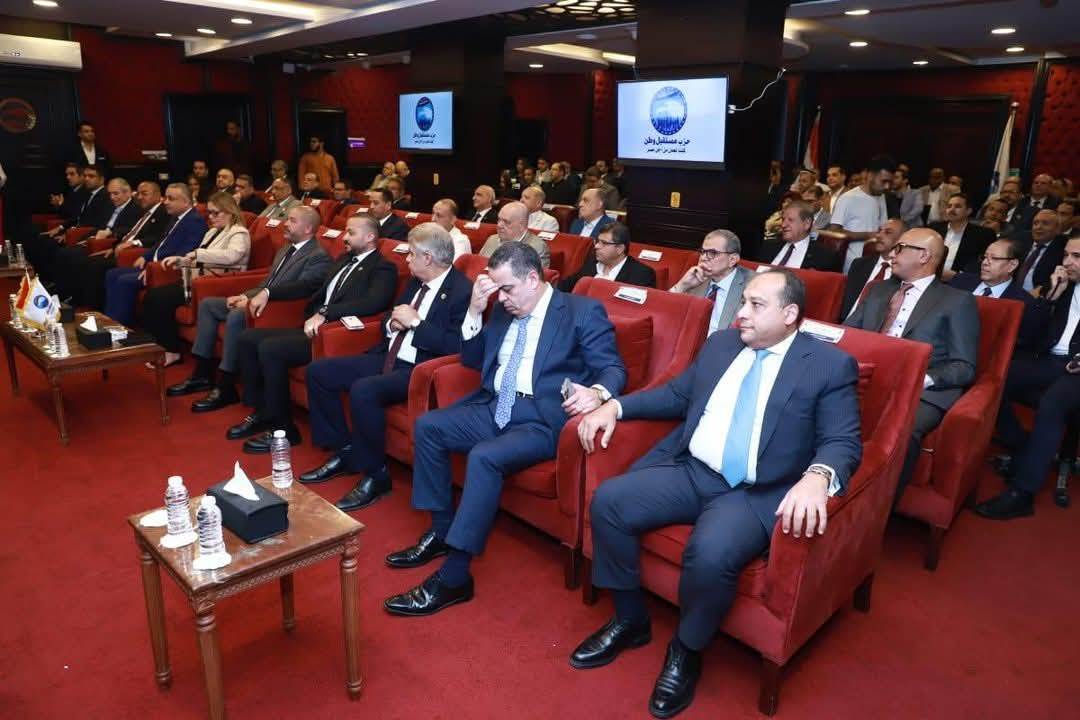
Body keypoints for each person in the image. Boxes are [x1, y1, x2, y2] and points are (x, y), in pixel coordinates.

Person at [571, 269, 862, 719]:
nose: (741, 313)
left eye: (755, 305)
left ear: (789, 314)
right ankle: (630, 619)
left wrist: (818, 476)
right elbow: (677, 394)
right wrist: (616, 406)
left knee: (710, 553)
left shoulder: (827, 365)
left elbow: (842, 440)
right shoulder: (723, 344)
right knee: (610, 501)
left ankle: (686, 649)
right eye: (742, 301)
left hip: (756, 491)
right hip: (694, 470)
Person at [382, 241, 626, 617]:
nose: (504, 298)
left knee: (484, 457)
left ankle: (455, 576)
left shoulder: (580, 311)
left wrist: (597, 393)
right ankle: (442, 531)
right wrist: (475, 311)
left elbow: (613, 368)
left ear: (533, 279)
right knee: (429, 426)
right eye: (498, 290)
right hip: (494, 405)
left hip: (540, 417)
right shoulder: (502, 308)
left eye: (508, 289)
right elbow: (472, 359)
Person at [301, 223, 474, 508]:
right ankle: (346, 450)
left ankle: (376, 475)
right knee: (319, 372)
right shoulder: (416, 281)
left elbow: (456, 346)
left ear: (428, 258)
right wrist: (391, 325)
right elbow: (389, 317)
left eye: (412, 255)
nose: (407, 261)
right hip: (388, 354)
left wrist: (416, 323)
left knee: (364, 390)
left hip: (418, 368)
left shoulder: (461, 291)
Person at [229, 214, 399, 452]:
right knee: (248, 339)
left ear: (370, 237)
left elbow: (373, 303)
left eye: (351, 233)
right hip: (311, 325)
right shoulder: (343, 259)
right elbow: (312, 287)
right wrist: (268, 292)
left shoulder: (382, 267)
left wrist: (327, 313)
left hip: (335, 333)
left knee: (271, 349)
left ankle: (284, 429)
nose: (345, 237)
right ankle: (263, 411)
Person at [844, 227, 979, 498]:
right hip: (869, 378)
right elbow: (848, 334)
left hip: (921, 389)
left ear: (924, 256)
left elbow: (964, 366)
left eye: (900, 248)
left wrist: (920, 379)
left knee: (902, 429)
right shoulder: (879, 290)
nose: (891, 254)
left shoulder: (957, 301)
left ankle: (880, 506)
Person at [167, 205, 331, 412]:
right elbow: (268, 282)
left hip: (282, 310)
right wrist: (246, 296)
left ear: (308, 228)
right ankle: (202, 374)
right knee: (209, 305)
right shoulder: (285, 249)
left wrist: (259, 298)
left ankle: (226, 385)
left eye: (292, 221)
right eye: (287, 219)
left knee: (237, 315)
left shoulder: (317, 256)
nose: (285, 224)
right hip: (261, 300)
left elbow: (302, 288)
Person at [977, 236, 1080, 520]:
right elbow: (1034, 330)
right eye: (1066, 255)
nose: (1068, 262)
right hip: (1050, 360)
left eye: (1077, 257)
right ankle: (1022, 446)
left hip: (1077, 369)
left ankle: (1022, 493)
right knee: (993, 379)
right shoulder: (1062, 284)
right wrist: (1050, 298)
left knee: (1052, 404)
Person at [141, 192, 252, 367]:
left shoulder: (239, 232)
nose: (211, 217)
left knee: (160, 298)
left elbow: (232, 256)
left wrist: (197, 254)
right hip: (198, 279)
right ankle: (158, 346)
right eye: (209, 213)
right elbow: (199, 257)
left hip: (217, 284)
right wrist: (181, 260)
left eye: (216, 213)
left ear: (230, 212)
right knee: (153, 295)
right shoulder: (212, 231)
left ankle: (171, 351)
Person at [103, 183, 208, 326]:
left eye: (171, 199)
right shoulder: (175, 217)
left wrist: (153, 267)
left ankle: (121, 327)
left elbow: (186, 253)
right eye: (166, 198)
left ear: (186, 202)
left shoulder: (195, 221)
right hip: (152, 264)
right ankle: (109, 321)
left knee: (124, 281)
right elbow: (160, 243)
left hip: (164, 270)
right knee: (112, 274)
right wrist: (145, 257)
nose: (166, 202)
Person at [76, 181, 171, 309]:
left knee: (97, 267)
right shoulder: (146, 211)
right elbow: (131, 232)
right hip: (122, 249)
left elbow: (158, 237)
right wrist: (114, 247)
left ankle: (93, 308)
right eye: (138, 194)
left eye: (144, 194)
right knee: (88, 261)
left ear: (158, 195)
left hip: (133, 254)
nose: (140, 197)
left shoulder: (163, 212)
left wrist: (133, 243)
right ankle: (83, 305)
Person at [51, 178, 142, 301]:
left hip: (108, 242)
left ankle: (76, 298)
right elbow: (99, 226)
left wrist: (110, 232)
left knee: (77, 257)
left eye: (116, 194)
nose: (112, 197)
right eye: (110, 194)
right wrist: (85, 238)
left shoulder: (135, 208)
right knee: (64, 252)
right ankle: (62, 293)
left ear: (127, 192)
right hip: (96, 239)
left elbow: (129, 229)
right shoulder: (110, 206)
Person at [27, 164, 112, 283]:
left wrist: (70, 233)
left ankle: (55, 283)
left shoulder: (106, 196)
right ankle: (43, 279)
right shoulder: (89, 194)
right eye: (85, 176)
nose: (87, 179)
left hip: (86, 235)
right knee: (42, 239)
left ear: (102, 179)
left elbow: (96, 223)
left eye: (91, 176)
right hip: (76, 231)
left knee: (57, 249)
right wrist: (62, 228)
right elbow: (77, 217)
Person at [670, 229, 753, 336]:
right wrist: (681, 286)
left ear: (732, 260)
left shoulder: (754, 284)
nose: (703, 258)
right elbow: (664, 313)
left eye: (712, 253)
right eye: (703, 252)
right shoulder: (695, 278)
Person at [829, 155, 894, 272]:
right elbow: (834, 232)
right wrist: (868, 235)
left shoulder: (882, 197)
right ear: (870, 175)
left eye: (889, 182)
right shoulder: (848, 198)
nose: (887, 186)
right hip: (852, 265)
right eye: (884, 181)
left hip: (875, 263)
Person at [558, 223, 656, 291]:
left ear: (620, 249)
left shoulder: (641, 274)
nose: (596, 246)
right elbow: (565, 286)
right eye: (597, 241)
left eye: (604, 243)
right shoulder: (592, 263)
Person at [839, 218, 904, 320]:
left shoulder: (904, 274)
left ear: (902, 239)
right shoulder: (859, 265)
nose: (879, 235)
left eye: (888, 232)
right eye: (879, 231)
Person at [929, 192, 996, 280]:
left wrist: (959, 276)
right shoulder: (933, 229)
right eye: (949, 206)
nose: (952, 209)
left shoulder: (983, 235)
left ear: (968, 211)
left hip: (961, 281)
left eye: (957, 206)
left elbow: (984, 263)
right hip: (930, 277)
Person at [757, 201, 839, 271]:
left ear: (806, 224)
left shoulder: (824, 257)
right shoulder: (768, 246)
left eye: (790, 220)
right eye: (783, 219)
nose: (783, 225)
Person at [478, 201, 550, 269]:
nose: (499, 225)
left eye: (506, 222)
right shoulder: (492, 239)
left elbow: (535, 276)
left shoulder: (537, 247)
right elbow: (479, 266)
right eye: (499, 219)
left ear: (521, 225)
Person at [1015, 209, 1067, 293]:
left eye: (1045, 223)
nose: (1038, 227)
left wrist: (1041, 290)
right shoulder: (1020, 239)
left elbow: (1061, 277)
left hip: (1038, 294)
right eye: (1035, 223)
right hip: (1010, 289)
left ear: (1057, 229)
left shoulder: (1063, 248)